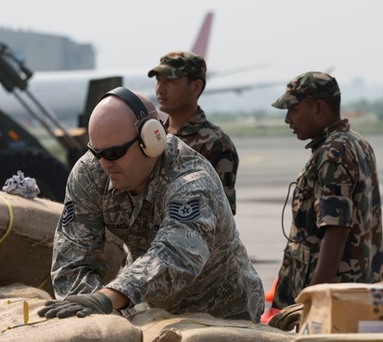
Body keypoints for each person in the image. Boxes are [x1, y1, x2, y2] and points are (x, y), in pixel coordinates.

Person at [43, 86, 263, 321]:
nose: (105, 164)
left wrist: (108, 298)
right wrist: (90, 315)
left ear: (151, 139)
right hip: (148, 311)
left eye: (115, 153)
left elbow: (177, 255)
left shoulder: (192, 180)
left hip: (224, 312)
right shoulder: (91, 173)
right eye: (97, 153)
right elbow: (72, 257)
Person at [271, 72, 383, 309]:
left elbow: (335, 231)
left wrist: (313, 300)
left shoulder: (333, 153)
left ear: (319, 109)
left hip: (333, 297)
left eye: (293, 109)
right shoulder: (356, 142)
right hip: (355, 290)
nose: (287, 119)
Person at [148, 51, 239, 214]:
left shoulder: (216, 144)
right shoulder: (153, 136)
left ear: (195, 86)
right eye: (158, 81)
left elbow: (221, 216)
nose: (160, 89)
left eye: (170, 81)